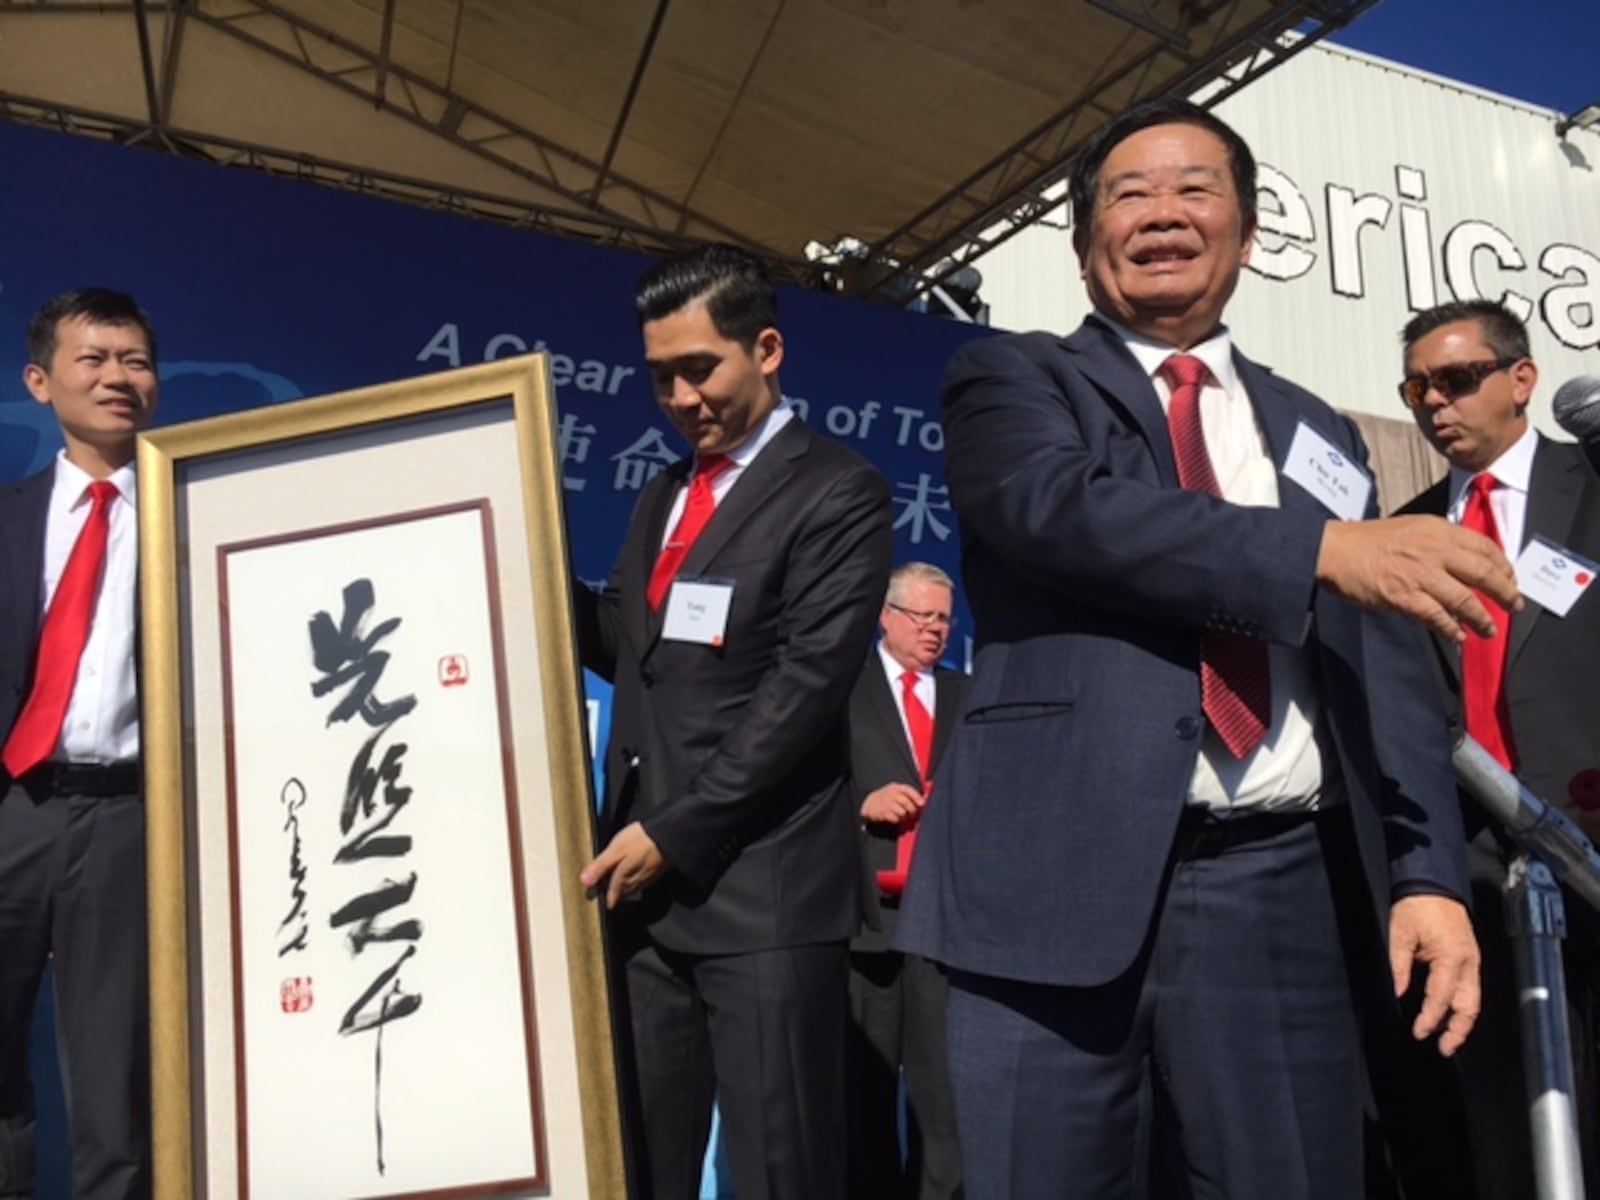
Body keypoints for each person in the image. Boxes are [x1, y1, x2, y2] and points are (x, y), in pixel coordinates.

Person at [894, 99, 1517, 1200]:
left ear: (1245, 227)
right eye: (1127, 195)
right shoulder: (1012, 379)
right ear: (1088, 243)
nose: (1160, 213)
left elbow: (1379, 667)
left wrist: (1426, 874)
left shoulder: (1318, 432)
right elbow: (1061, 512)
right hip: (1051, 888)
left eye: (1193, 188)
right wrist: (1316, 550)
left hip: (1282, 894)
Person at [571, 243, 893, 1200]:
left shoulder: (838, 491)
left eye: (699, 369)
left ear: (767, 349)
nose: (679, 398)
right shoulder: (662, 493)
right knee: (642, 1165)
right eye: (660, 376)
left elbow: (803, 689)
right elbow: (630, 648)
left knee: (776, 1171)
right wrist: (516, 526)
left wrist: (676, 832)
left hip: (764, 897)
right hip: (644, 900)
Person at [1377, 298, 1600, 1199]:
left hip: (1591, 833)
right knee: (1513, 1137)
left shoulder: (1592, 481)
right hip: (1479, 873)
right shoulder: (1409, 530)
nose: (1435, 402)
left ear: (1521, 380)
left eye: (1458, 378)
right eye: (1418, 386)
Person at [0, 288, 159, 1200]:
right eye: (93, 359)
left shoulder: (193, 515)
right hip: (14, 806)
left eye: (134, 361)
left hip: (129, 819)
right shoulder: (12, 515)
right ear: (40, 381)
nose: (116, 378)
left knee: (115, 1085)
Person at [846, 562, 966, 1200]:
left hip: (941, 929)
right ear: (886, 617)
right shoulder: (842, 692)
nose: (935, 630)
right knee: (860, 1102)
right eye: (922, 616)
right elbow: (804, 793)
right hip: (864, 924)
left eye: (945, 618)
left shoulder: (966, 698)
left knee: (941, 1105)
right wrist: (861, 806)